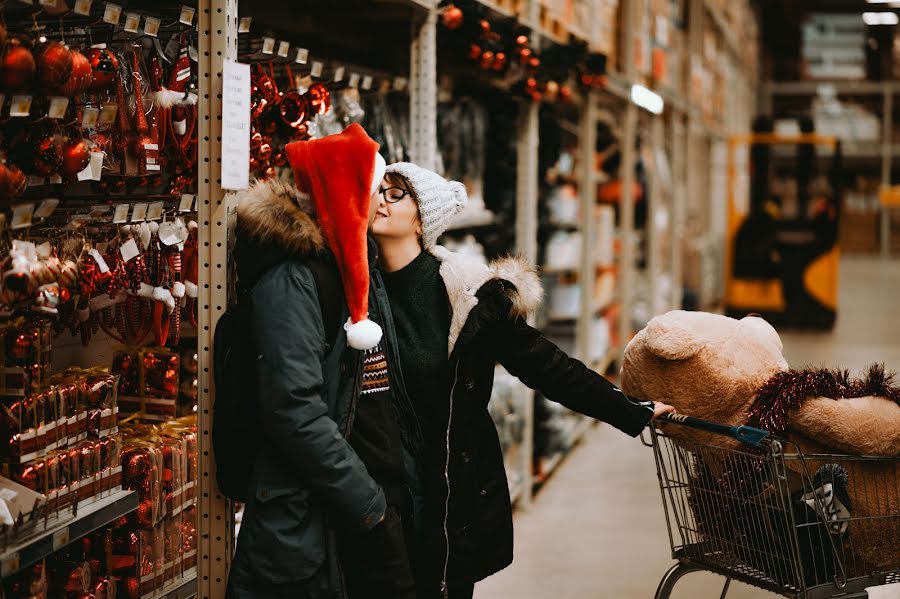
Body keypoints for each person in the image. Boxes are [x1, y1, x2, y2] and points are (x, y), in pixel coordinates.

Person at [368, 162, 676, 598]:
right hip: (382, 493)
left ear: (422, 219)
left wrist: (630, 411)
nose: (380, 198)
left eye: (395, 193)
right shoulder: (358, 289)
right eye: (377, 189)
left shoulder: (469, 298)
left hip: (449, 492)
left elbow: (548, 367)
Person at [225, 124, 417, 599]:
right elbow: (294, 412)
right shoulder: (294, 281)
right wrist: (369, 505)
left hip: (353, 508)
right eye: (374, 190)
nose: (379, 203)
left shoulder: (348, 269)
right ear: (348, 193)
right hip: (315, 518)